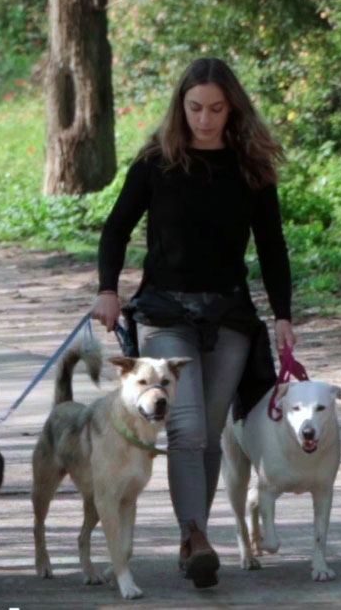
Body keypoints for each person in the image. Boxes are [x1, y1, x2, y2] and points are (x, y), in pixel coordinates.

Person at [92, 57, 295, 589]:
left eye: (216, 109)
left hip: (229, 312)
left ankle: (193, 536)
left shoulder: (251, 168)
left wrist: (283, 315)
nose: (205, 119)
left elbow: (273, 247)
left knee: (207, 435)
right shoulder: (157, 162)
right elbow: (116, 229)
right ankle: (196, 537)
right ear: (181, 108)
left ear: (233, 110)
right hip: (164, 308)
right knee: (183, 429)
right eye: (195, 108)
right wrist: (108, 290)